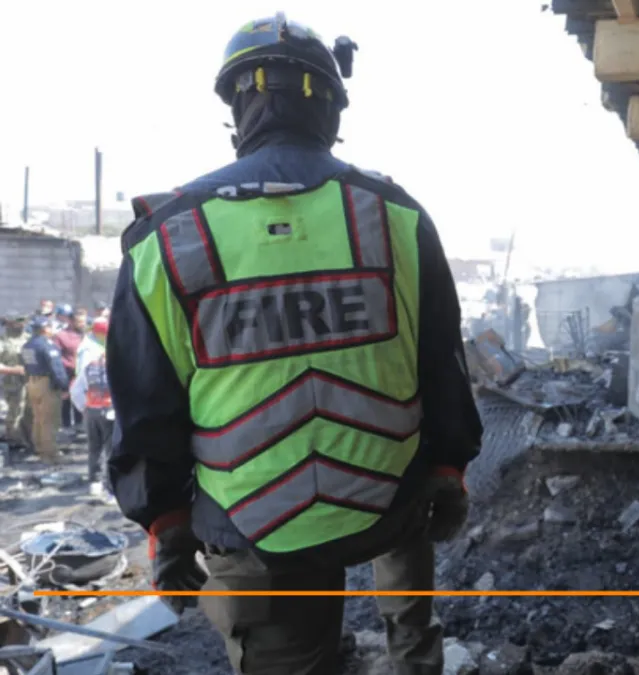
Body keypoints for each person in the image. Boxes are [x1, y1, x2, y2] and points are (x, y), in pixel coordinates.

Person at [106, 13, 483, 675]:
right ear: (331, 109)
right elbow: (441, 365)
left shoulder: (169, 237)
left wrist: (165, 523)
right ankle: (413, 651)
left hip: (256, 528)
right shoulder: (395, 215)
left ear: (239, 105)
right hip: (389, 503)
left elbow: (145, 406)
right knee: (410, 504)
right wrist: (449, 469)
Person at [71, 317, 114, 495]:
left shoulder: (89, 366)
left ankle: (95, 482)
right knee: (111, 450)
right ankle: (110, 487)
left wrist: (85, 408)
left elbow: (76, 390)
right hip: (110, 414)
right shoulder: (117, 367)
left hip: (92, 412)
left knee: (94, 449)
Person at [20, 316, 67, 464]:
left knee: (38, 418)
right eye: (50, 326)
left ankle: (40, 448)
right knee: (49, 420)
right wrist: (64, 385)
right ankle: (51, 454)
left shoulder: (27, 345)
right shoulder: (47, 345)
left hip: (32, 382)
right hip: (47, 384)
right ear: (44, 329)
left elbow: (25, 366)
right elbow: (57, 368)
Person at [55, 308, 87, 431]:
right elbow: (57, 357)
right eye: (79, 322)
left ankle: (79, 424)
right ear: (71, 322)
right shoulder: (61, 336)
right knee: (66, 400)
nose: (82, 324)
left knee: (79, 398)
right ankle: (67, 426)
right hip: (67, 373)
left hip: (82, 373)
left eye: (84, 322)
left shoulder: (85, 334)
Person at [0, 313, 28, 451]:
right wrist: (13, 370)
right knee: (15, 411)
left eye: (23, 322)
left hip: (31, 381)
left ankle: (26, 438)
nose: (22, 325)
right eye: (18, 322)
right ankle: (14, 440)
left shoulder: (28, 338)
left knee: (29, 411)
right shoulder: (3, 341)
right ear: (9, 323)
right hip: (12, 382)